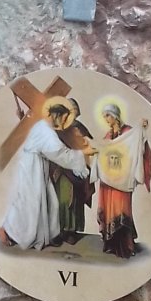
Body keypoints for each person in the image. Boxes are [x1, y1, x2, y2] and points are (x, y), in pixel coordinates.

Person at [0, 104, 94, 252]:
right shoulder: (46, 131)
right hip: (32, 167)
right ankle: (7, 230)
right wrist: (81, 157)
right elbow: (60, 154)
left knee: (50, 203)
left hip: (38, 165)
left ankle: (43, 236)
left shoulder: (44, 126)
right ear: (57, 116)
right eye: (64, 118)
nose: (64, 122)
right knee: (29, 203)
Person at [94, 102, 151, 259]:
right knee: (108, 210)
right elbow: (102, 153)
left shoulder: (128, 132)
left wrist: (142, 131)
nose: (106, 119)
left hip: (122, 181)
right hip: (107, 182)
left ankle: (124, 245)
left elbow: (138, 147)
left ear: (115, 116)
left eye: (107, 115)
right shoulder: (108, 136)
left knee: (121, 210)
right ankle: (110, 244)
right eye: (104, 116)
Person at [49, 97, 95, 244]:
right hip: (60, 170)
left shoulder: (79, 128)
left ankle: (71, 230)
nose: (72, 114)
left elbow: (88, 147)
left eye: (75, 111)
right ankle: (60, 230)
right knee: (61, 199)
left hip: (76, 171)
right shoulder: (57, 129)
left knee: (74, 200)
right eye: (70, 111)